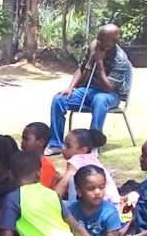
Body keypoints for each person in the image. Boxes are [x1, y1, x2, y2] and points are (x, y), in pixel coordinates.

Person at [46, 24, 131, 156]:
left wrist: (99, 62)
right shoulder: (93, 47)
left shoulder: (120, 59)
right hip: (88, 90)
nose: (99, 42)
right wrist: (70, 87)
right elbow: (81, 69)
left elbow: (108, 87)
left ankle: (93, 146)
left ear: (114, 41)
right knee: (59, 99)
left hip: (110, 94)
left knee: (100, 99)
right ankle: (56, 144)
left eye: (103, 40)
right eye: (98, 38)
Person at [67, 165, 123, 236]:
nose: (98, 192)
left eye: (101, 187)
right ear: (79, 190)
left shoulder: (109, 212)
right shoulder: (71, 210)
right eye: (91, 188)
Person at [54, 128, 121, 205]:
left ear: (83, 150)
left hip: (101, 204)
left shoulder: (76, 159)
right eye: (64, 145)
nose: (63, 149)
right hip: (114, 203)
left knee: (71, 180)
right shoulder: (92, 158)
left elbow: (63, 185)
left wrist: (50, 202)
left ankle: (73, 210)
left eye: (68, 146)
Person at [20, 122, 58, 189]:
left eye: (26, 139)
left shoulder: (46, 167)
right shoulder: (23, 161)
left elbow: (40, 191)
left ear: (40, 142)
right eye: (22, 139)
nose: (22, 142)